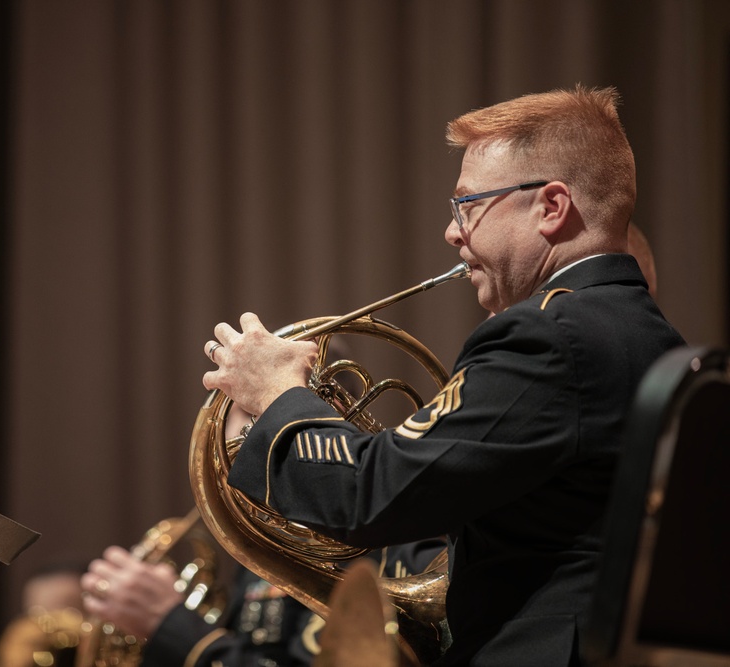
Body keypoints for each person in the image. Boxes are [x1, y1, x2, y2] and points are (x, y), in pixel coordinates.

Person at [201, 86, 685, 665]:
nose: (453, 233)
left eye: (468, 205)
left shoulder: (548, 337)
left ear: (551, 208)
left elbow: (370, 497)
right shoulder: (651, 335)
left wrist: (277, 394)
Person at [81, 407, 446, 665]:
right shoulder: (266, 551)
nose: (235, 469)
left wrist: (172, 626)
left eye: (250, 430)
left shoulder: (410, 554)